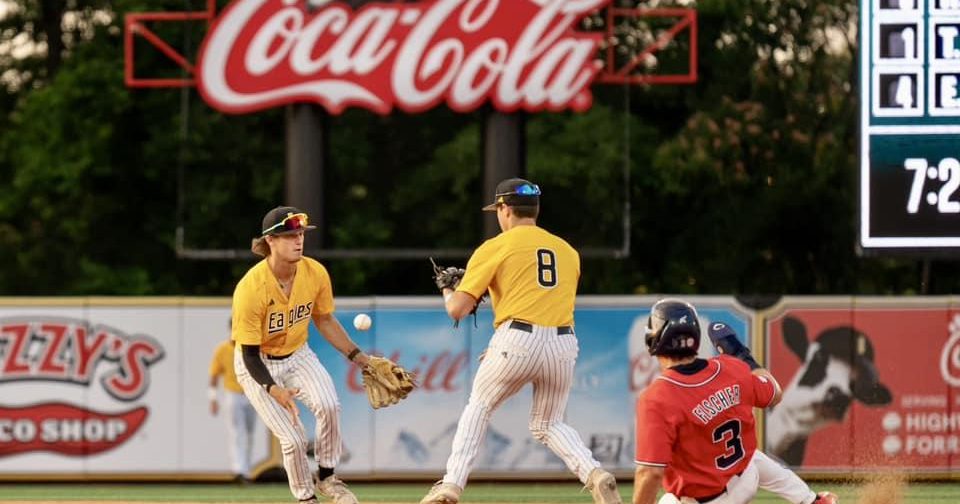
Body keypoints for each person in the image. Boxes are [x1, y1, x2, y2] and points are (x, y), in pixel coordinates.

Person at [420, 178, 622, 504]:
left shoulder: (496, 246)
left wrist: (447, 288)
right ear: (535, 210)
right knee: (549, 422)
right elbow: (539, 298)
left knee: (479, 408)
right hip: (563, 344)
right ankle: (595, 473)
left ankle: (451, 486)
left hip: (517, 338)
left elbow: (457, 309)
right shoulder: (567, 251)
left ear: (504, 209)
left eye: (497, 210)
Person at [233, 206, 377, 504]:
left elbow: (324, 319)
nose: (298, 240)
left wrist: (359, 357)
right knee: (294, 440)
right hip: (258, 365)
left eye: (300, 234)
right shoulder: (250, 288)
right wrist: (275, 390)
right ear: (270, 241)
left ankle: (327, 477)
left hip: (298, 354)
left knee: (329, 405)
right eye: (288, 235)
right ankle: (306, 498)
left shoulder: (315, 272)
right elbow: (248, 356)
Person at [632, 298, 839, 504]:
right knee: (752, 457)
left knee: (669, 500)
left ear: (654, 339)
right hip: (747, 478)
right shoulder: (732, 368)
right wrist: (741, 354)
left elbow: (650, 473)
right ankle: (812, 500)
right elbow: (775, 392)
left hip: (706, 500)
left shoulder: (656, 398)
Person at [208, 321, 259, 484]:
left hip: (252, 393)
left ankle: (247, 470)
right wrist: (213, 398)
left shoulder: (253, 347)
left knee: (250, 433)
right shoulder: (223, 349)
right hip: (233, 394)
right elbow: (214, 376)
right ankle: (239, 470)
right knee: (236, 432)